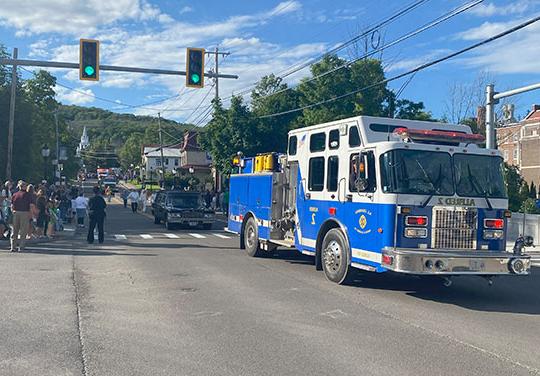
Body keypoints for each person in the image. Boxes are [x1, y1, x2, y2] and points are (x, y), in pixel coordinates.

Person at [10, 181, 35, 252]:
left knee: (15, 230)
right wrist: (31, 214)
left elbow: (11, 205)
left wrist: (13, 211)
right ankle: (21, 246)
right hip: (24, 213)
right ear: (24, 187)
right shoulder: (28, 195)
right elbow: (31, 205)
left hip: (16, 213)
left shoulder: (15, 194)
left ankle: (13, 246)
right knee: (23, 231)